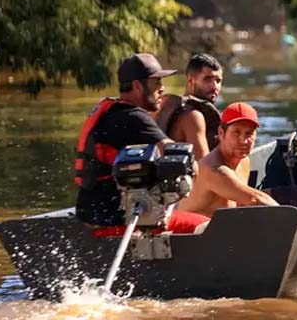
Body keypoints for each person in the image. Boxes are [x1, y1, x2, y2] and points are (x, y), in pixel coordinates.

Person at [74, 53, 209, 235]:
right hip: (120, 223)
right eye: (157, 82)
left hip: (91, 217)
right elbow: (179, 156)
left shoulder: (108, 111)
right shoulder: (133, 117)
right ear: (138, 86)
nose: (162, 88)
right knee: (207, 226)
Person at [178, 102, 279, 217]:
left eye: (249, 134)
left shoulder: (244, 161)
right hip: (194, 232)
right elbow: (254, 198)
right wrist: (290, 218)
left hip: (223, 229)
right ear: (221, 133)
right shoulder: (214, 169)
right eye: (236, 133)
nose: (243, 141)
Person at [156, 53, 224, 160]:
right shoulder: (193, 116)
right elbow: (204, 167)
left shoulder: (167, 106)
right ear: (190, 80)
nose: (214, 86)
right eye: (207, 79)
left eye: (218, 81)